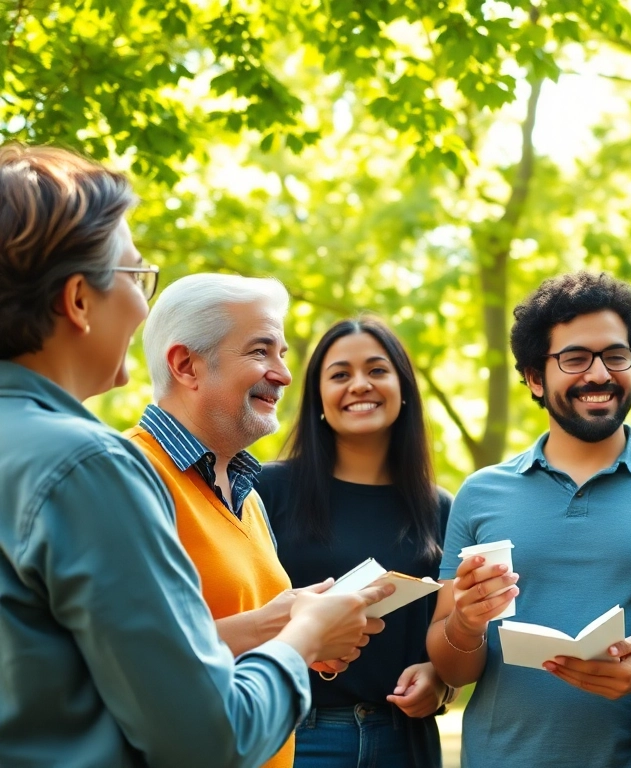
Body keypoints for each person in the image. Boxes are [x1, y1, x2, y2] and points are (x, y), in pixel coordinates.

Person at [0, 144, 388, 767]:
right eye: (136, 277)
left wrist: (275, 626)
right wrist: (302, 635)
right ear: (78, 300)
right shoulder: (96, 468)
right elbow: (211, 737)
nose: (142, 308)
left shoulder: (245, 496)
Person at [426, 272, 631, 768]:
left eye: (616, 356)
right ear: (535, 377)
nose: (599, 374)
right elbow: (452, 666)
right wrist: (467, 623)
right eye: (575, 358)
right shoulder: (480, 494)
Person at [132, 272, 346, 768]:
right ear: (187, 365)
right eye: (260, 351)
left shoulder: (247, 493)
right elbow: (131, 662)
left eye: (283, 354)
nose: (284, 374)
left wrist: (309, 639)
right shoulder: (127, 475)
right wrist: (290, 625)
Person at [256, 318, 455, 768]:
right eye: (341, 374)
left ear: (403, 388)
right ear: (318, 399)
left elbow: (453, 632)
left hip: (405, 741)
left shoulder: (440, 508)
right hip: (295, 736)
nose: (360, 385)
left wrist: (441, 681)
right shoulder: (266, 490)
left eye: (377, 370)